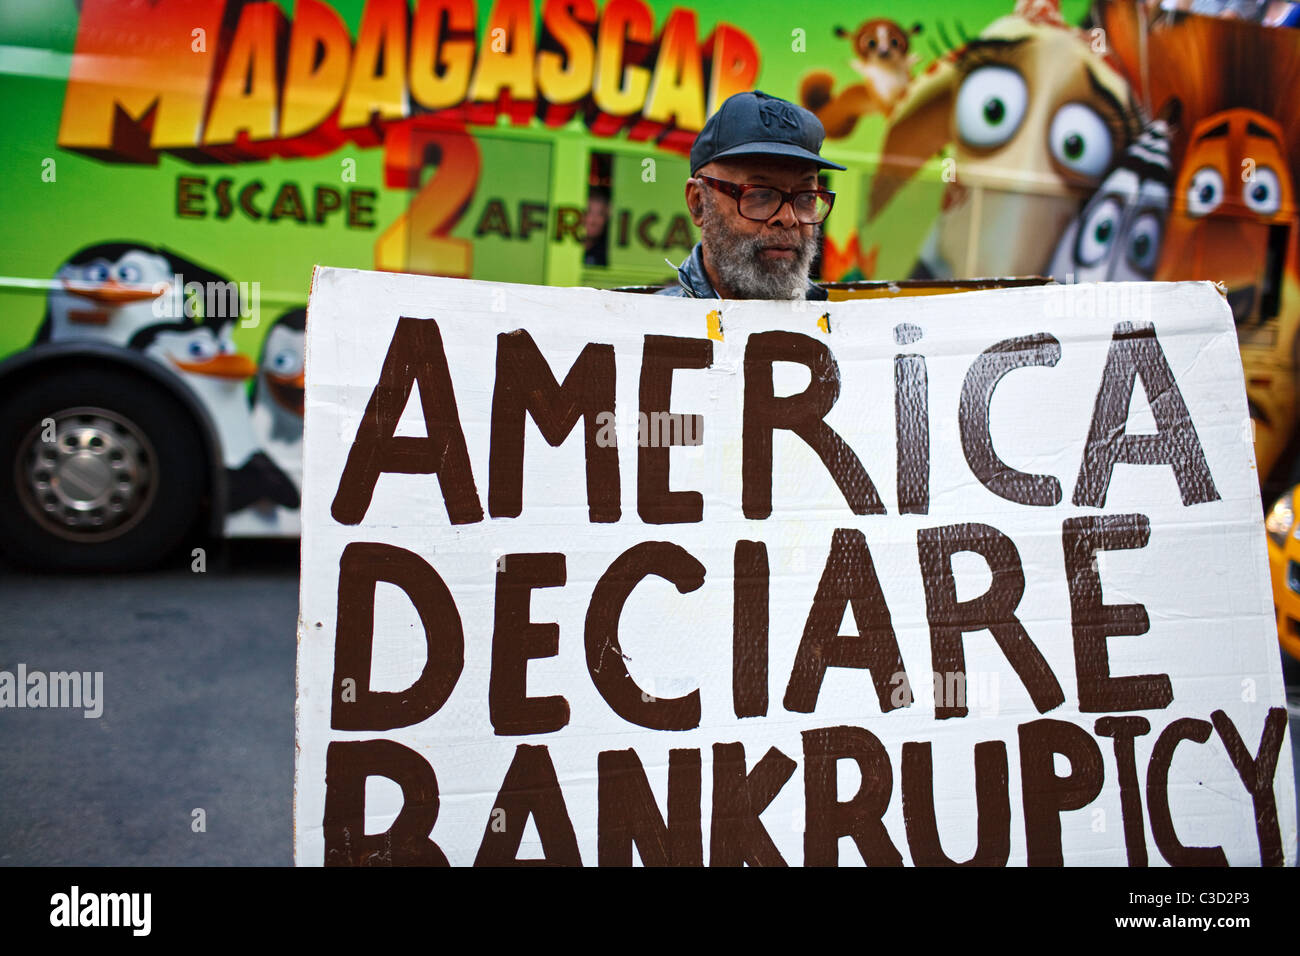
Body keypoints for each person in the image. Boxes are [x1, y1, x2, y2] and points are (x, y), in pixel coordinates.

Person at [657, 90, 845, 300]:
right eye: (760, 195)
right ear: (699, 202)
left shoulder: (845, 327)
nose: (788, 218)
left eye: (807, 197)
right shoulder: (647, 326)